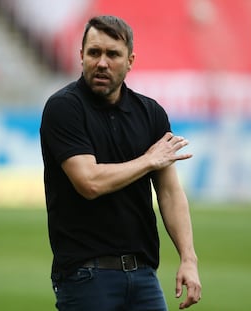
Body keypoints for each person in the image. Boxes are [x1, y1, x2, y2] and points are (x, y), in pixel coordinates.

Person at [40, 15, 201, 311]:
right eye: (94, 53)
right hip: (85, 276)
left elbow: (169, 193)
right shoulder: (64, 108)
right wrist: (148, 160)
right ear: (81, 57)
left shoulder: (151, 114)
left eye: (112, 54)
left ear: (130, 61)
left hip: (143, 276)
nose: (102, 62)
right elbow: (89, 182)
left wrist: (188, 259)